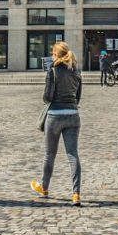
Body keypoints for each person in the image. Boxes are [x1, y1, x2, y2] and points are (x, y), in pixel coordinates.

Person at [31, 41, 83, 206]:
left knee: (50, 154)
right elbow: (78, 96)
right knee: (72, 155)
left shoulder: (52, 71)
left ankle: (44, 188)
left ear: (56, 55)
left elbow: (47, 97)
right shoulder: (76, 71)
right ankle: (76, 194)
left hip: (55, 115)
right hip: (73, 115)